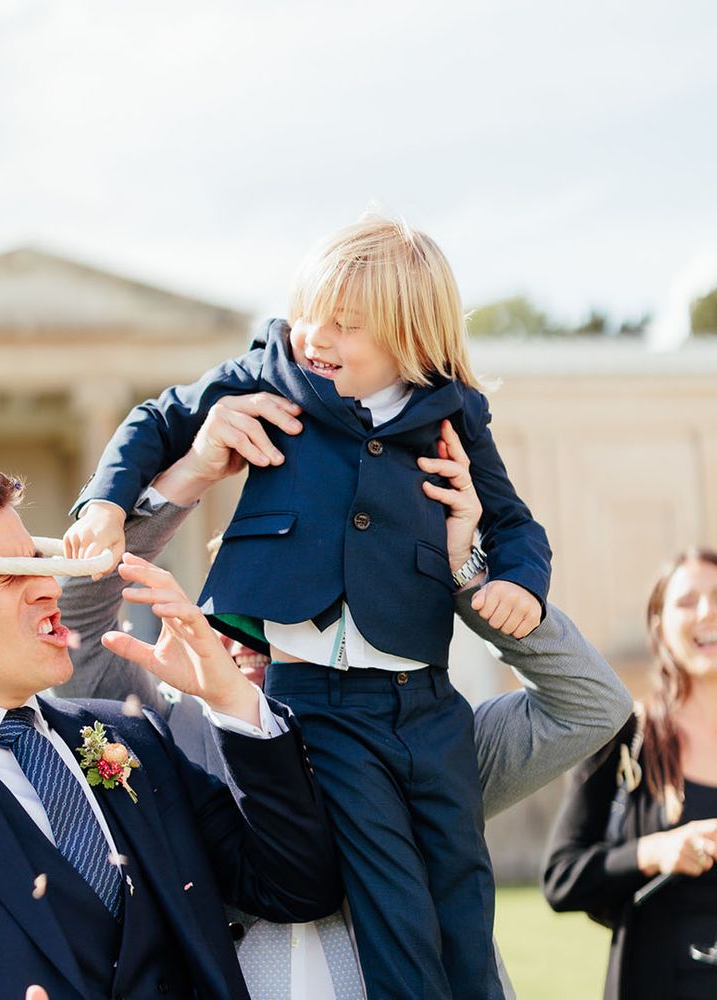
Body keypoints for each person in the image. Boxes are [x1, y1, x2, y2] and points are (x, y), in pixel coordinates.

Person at [63, 216, 552, 998]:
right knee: (392, 894)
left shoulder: (455, 414)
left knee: (463, 885)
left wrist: (515, 581)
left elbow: (513, 520)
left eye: (345, 325)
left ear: (410, 337)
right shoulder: (269, 373)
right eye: (306, 312)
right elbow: (154, 420)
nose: (314, 336)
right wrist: (107, 503)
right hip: (322, 703)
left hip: (427, 698)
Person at [57, 392, 631, 1000]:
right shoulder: (165, 737)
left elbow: (590, 704)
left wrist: (468, 572)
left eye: (303, 599)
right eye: (244, 605)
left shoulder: (428, 735)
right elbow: (79, 625)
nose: (263, 623)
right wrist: (190, 472)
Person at [0, 409, 343, 1000]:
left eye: (40, 561)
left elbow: (298, 886)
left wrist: (231, 697)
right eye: (8, 574)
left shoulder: (134, 738)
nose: (49, 585)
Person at [543, 548, 717, 999]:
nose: (707, 611)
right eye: (687, 601)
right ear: (658, 624)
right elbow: (561, 877)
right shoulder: (626, 735)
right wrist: (656, 851)